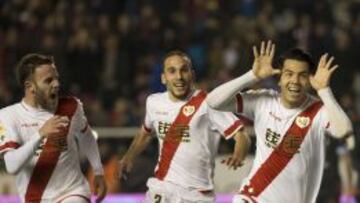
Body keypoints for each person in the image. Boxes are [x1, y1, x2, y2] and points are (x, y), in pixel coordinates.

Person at [206, 41, 354, 203]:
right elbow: (213, 101)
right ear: (279, 78)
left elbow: (343, 130)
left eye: (302, 75)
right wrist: (251, 76)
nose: (295, 81)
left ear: (310, 81)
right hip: (254, 196)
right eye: (289, 74)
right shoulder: (263, 100)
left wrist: (324, 91)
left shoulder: (318, 111)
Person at [118, 50, 250, 203]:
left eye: (184, 70)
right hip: (163, 188)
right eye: (172, 71)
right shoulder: (153, 102)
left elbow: (241, 135)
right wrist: (128, 157)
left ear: (192, 75)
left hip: (197, 195)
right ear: (163, 78)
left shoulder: (209, 103)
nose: (179, 77)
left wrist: (239, 153)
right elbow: (146, 133)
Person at [0, 54, 107, 203]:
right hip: (34, 198)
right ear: (30, 87)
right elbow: (11, 166)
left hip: (73, 191)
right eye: (48, 80)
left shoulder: (71, 107)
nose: (56, 84)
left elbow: (86, 136)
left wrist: (98, 171)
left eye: (56, 78)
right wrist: (40, 134)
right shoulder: (8, 116)